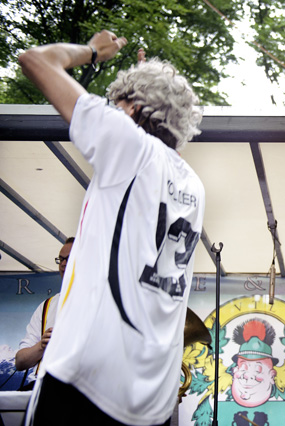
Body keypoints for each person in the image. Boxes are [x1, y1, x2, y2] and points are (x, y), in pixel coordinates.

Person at [19, 30, 204, 426]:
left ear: (133, 109)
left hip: (87, 379)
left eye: (115, 104)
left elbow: (36, 59)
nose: (110, 111)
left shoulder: (131, 148)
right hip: (150, 395)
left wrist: (92, 52)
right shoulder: (192, 183)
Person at [15, 237, 74, 378]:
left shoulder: (98, 302)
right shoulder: (47, 306)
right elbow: (20, 361)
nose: (63, 264)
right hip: (41, 384)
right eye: (61, 259)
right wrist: (41, 345)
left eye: (70, 258)